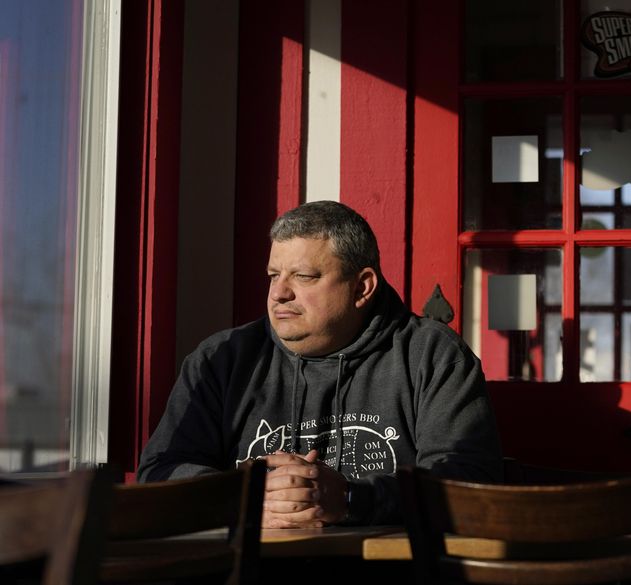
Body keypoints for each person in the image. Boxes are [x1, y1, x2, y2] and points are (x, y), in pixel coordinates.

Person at [137, 201, 503, 527]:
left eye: (303, 276)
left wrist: (350, 499)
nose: (279, 293)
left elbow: (471, 479)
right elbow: (160, 470)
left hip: (382, 569)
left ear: (361, 287)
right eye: (273, 275)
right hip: (249, 569)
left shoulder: (431, 355)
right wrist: (245, 497)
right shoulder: (222, 358)